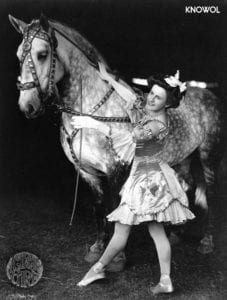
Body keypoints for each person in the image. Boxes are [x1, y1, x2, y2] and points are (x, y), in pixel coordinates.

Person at [71, 63, 195, 295]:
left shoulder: (158, 125)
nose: (151, 99)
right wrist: (110, 79)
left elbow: (130, 137)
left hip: (148, 182)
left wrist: (94, 124)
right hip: (146, 176)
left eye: (158, 98)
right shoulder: (150, 113)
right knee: (153, 231)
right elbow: (131, 96)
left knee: (124, 230)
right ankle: (164, 279)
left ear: (167, 103)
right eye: (151, 94)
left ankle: (98, 269)